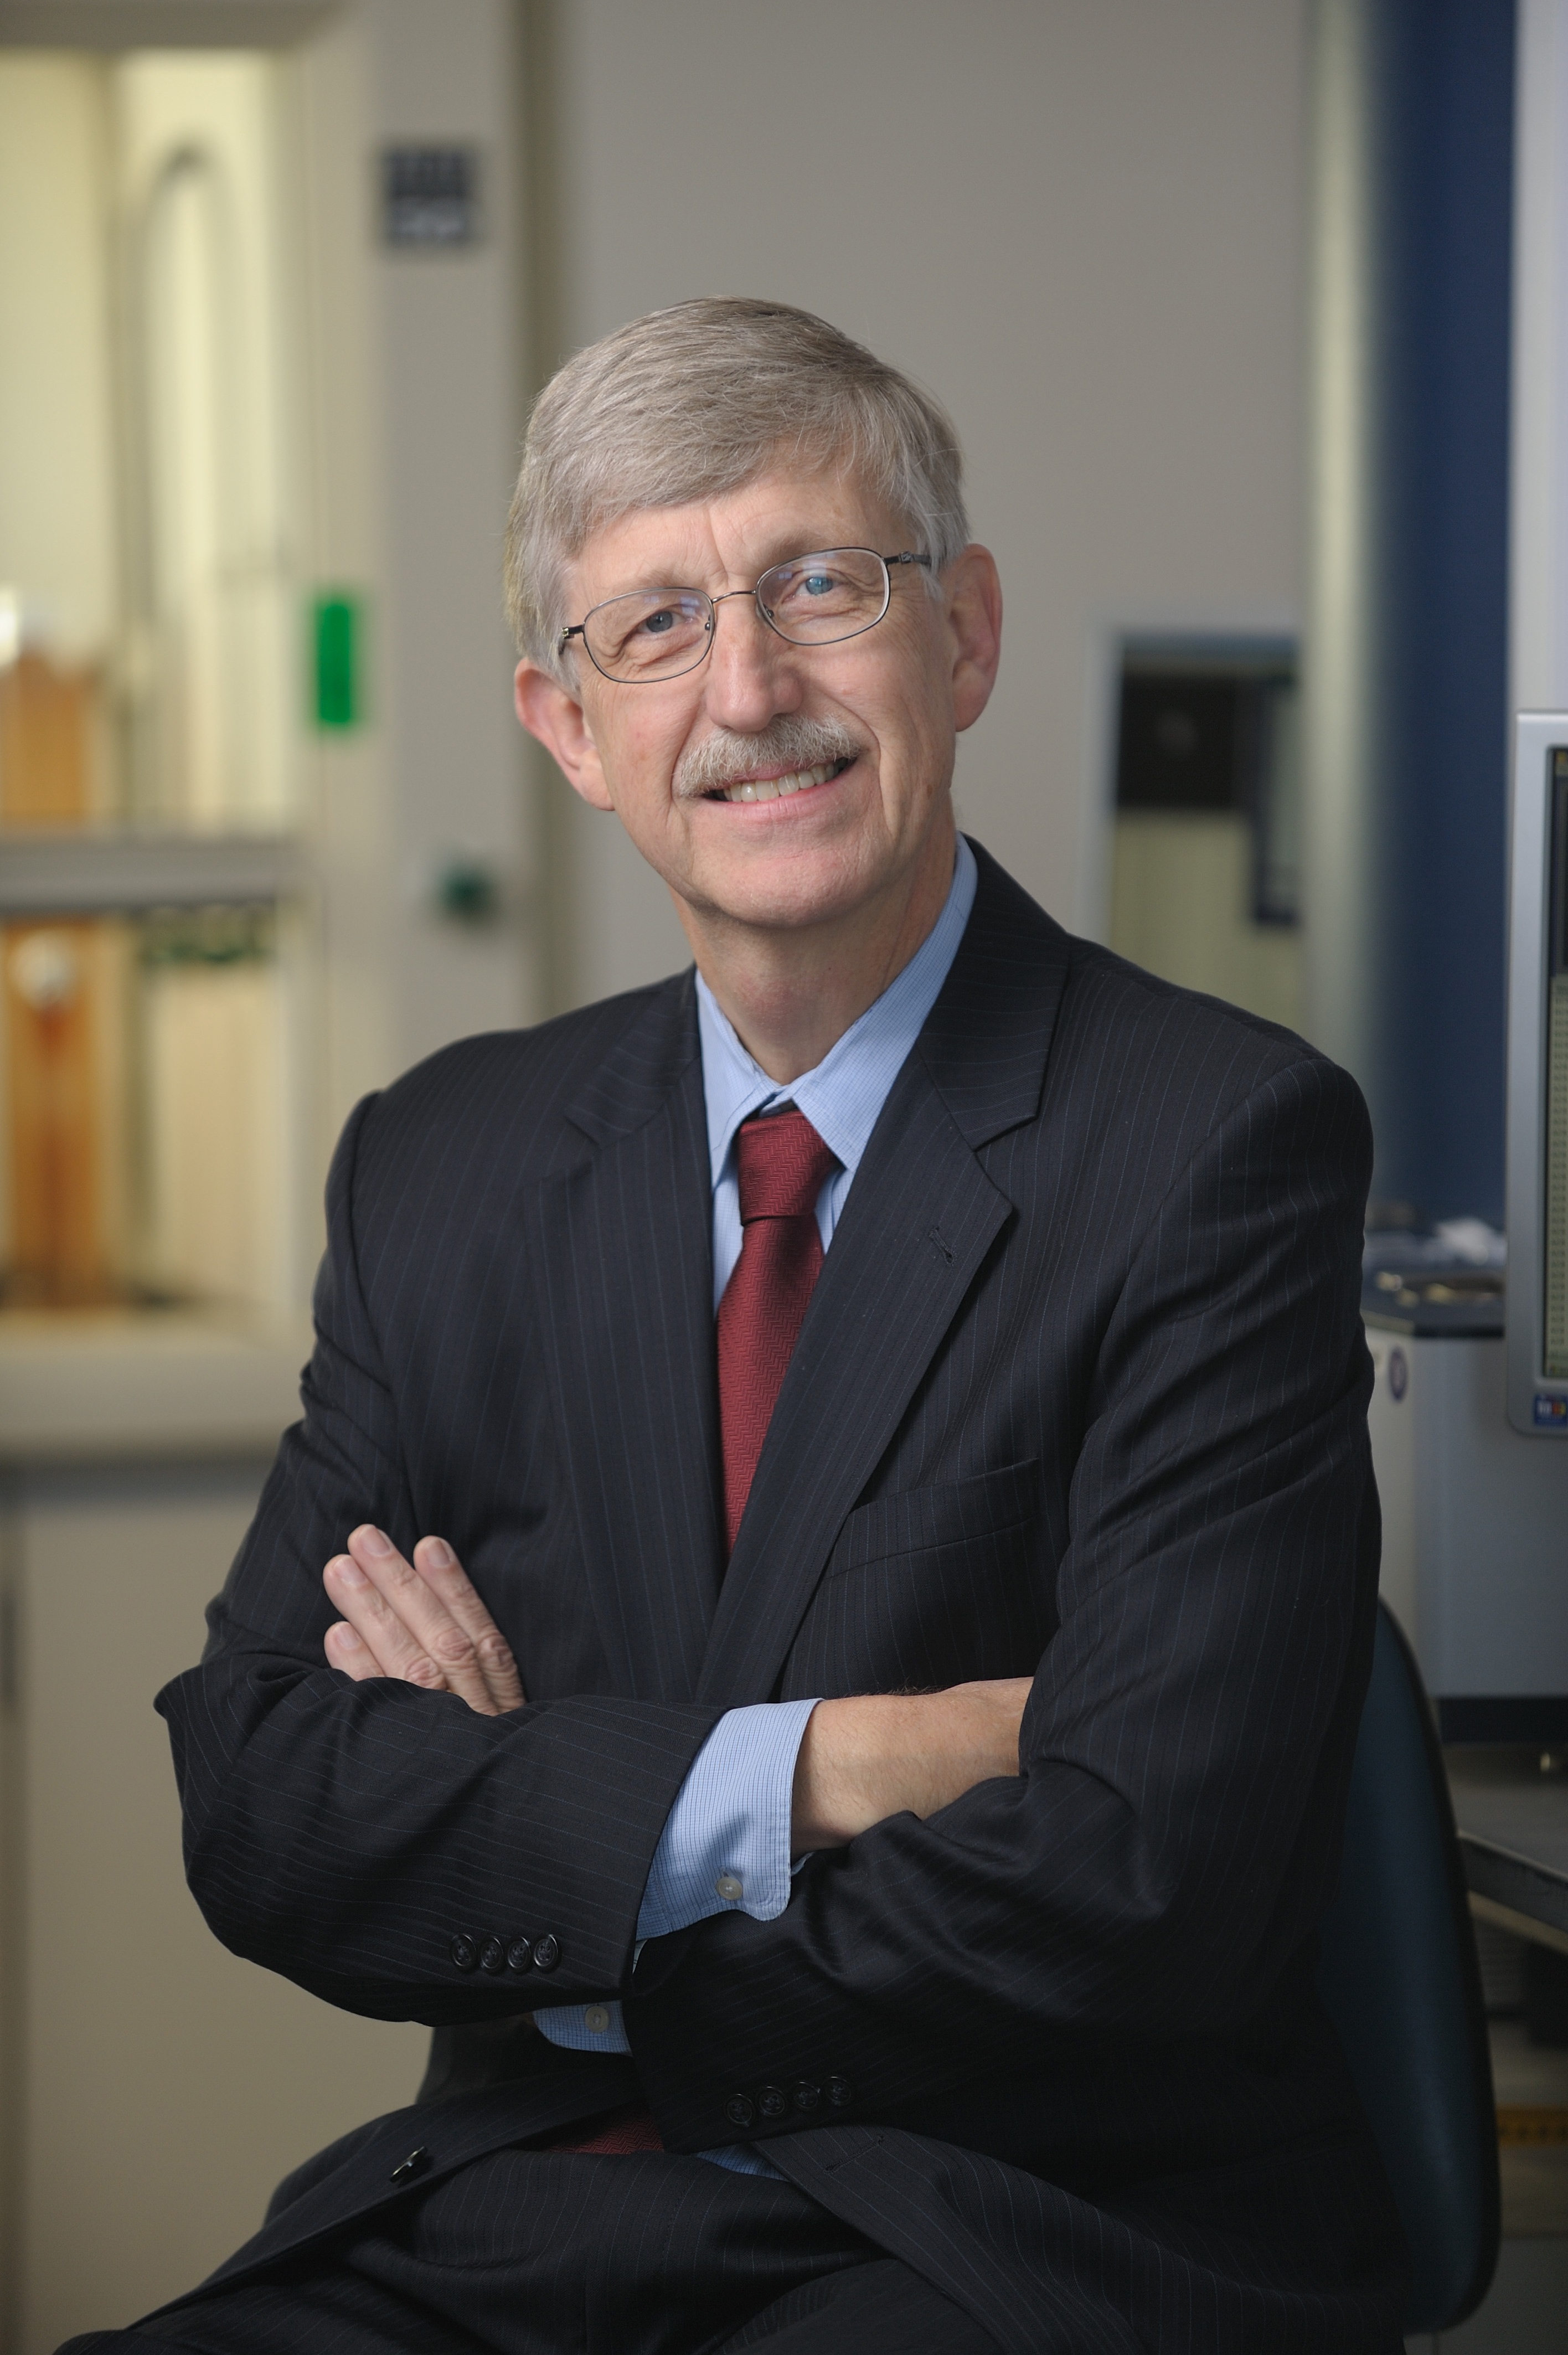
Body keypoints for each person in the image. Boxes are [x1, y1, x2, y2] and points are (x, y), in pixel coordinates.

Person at [66, 298, 1404, 2355]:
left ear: (960, 636)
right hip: (496, 2222)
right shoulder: (447, 1162)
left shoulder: (1216, 1145)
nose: (751, 690)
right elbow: (265, 1802)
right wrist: (834, 1768)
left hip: (993, 2237)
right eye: (655, 627)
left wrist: (550, 1867)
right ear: (566, 724)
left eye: (817, 586)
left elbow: (1146, 1877)